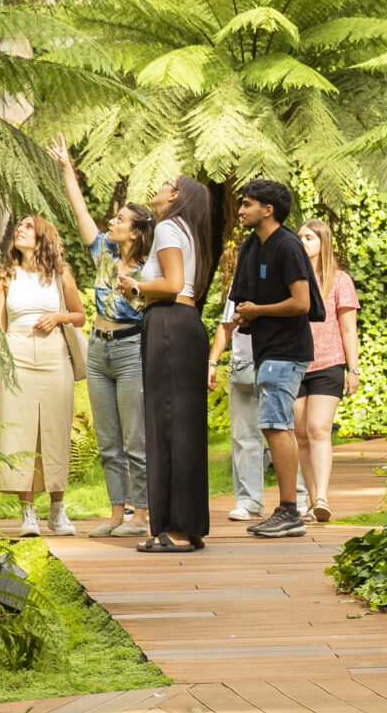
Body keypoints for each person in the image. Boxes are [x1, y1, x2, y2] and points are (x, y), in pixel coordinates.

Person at [51, 139, 150, 537]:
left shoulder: (150, 268)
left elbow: (155, 306)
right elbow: (80, 213)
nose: (113, 221)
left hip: (130, 350)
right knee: (108, 438)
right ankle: (116, 514)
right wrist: (66, 169)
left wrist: (135, 291)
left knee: (135, 438)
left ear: (137, 231)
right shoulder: (105, 255)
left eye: (121, 219)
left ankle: (140, 515)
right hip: (98, 352)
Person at [126, 175, 217, 552]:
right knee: (184, 427)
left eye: (165, 183)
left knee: (167, 425)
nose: (158, 186)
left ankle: (176, 530)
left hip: (168, 323)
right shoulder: (188, 230)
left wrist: (133, 286)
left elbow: (173, 283)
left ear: (176, 195)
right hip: (185, 325)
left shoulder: (166, 227)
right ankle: (187, 526)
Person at [228, 178, 322, 539]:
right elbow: (246, 301)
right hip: (265, 350)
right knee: (272, 426)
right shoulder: (252, 246)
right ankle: (287, 510)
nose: (240, 210)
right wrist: (246, 314)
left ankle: (289, 511)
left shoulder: (288, 246)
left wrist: (258, 310)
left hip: (286, 351)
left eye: (247, 204)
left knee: (275, 426)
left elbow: (302, 303)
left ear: (268, 210)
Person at [0, 214, 88, 537]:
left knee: (56, 428)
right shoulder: (4, 276)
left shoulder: (60, 274)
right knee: (19, 430)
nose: (21, 230)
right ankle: (28, 513)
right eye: (19, 227)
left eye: (28, 227)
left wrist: (57, 316)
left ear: (43, 235)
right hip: (15, 355)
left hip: (54, 356)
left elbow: (80, 317)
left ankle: (58, 511)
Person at [296, 218, 361, 523]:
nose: (302, 242)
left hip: (329, 363)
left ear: (323, 242)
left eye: (308, 238)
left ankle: (322, 496)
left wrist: (354, 369)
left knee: (319, 429)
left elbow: (349, 330)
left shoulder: (340, 280)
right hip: (293, 364)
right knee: (301, 435)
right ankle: (312, 502)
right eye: (299, 237)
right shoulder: (291, 278)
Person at [206, 255, 267, 521]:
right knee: (244, 436)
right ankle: (249, 501)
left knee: (286, 433)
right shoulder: (238, 284)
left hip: (276, 362)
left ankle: (298, 500)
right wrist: (212, 362)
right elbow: (226, 325)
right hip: (242, 365)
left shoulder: (282, 280)